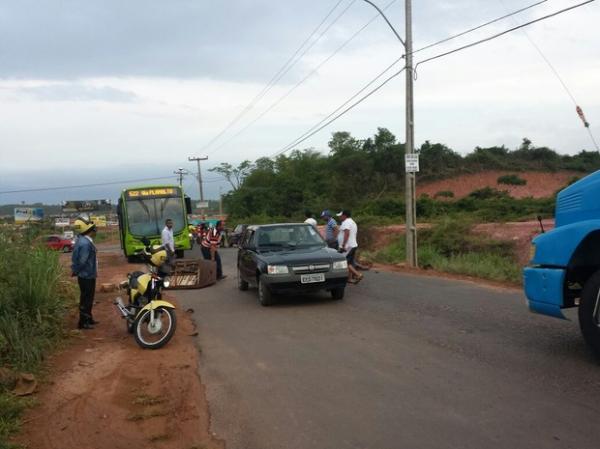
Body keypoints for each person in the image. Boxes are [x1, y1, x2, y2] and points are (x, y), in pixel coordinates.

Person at [71, 217, 98, 330]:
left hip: (87, 274)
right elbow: (82, 260)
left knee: (88, 298)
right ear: (90, 231)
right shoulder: (86, 244)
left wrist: (75, 270)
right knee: (86, 299)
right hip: (86, 275)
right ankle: (83, 322)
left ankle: (88, 318)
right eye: (94, 229)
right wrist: (76, 271)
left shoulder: (81, 240)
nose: (96, 231)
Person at [336, 210, 363, 284]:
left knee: (345, 262)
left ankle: (358, 274)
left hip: (348, 246)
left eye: (340, 216)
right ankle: (349, 278)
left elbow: (346, 233)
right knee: (350, 262)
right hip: (353, 245)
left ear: (344, 216)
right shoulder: (352, 222)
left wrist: (343, 245)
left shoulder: (346, 222)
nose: (339, 217)